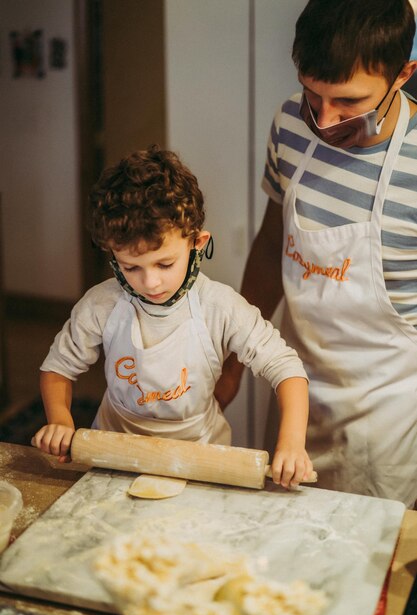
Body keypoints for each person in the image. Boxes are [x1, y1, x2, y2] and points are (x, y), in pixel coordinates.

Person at [215, 0, 417, 508]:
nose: (324, 121)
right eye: (312, 94)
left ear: (403, 74)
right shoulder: (289, 122)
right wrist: (236, 360)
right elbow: (269, 246)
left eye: (348, 103)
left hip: (385, 423)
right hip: (294, 391)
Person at [31, 146, 313, 489]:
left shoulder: (219, 306)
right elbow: (58, 368)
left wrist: (292, 443)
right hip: (114, 453)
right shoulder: (101, 305)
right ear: (111, 252)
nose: (150, 282)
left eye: (165, 264)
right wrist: (60, 421)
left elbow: (287, 368)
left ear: (197, 243)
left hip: (200, 455)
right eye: (130, 267)